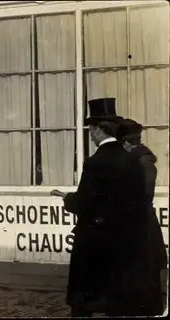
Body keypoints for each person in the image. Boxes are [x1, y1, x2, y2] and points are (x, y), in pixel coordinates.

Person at [63, 98, 155, 317]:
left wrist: (68, 200)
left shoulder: (95, 162)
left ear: (96, 131)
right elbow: (139, 200)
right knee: (115, 298)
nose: (91, 135)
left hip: (94, 240)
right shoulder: (133, 160)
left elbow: (84, 202)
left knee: (85, 298)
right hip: (123, 241)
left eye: (91, 130)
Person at [116, 118, 166, 314]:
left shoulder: (140, 164)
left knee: (143, 280)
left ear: (127, 143)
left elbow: (140, 196)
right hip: (142, 224)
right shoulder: (143, 162)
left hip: (140, 226)